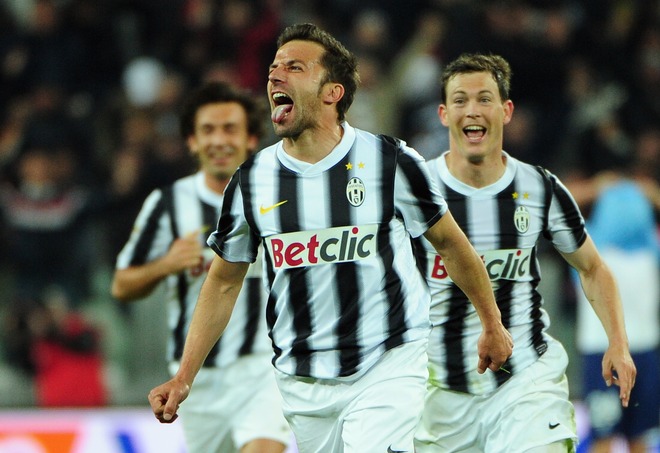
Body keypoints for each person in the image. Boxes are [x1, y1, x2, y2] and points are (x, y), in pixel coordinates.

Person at [147, 23, 513, 453]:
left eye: (294, 67)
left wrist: (492, 323)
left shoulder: (388, 161)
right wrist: (185, 375)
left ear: (331, 92)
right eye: (273, 67)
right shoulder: (253, 181)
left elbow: (451, 244)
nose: (275, 76)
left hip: (388, 362)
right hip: (303, 382)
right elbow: (224, 280)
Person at [412, 53, 637, 453]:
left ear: (506, 110)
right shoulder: (416, 190)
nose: (473, 110)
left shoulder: (539, 187)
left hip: (525, 382)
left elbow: (592, 269)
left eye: (484, 98)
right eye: (460, 100)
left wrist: (617, 340)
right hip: (440, 396)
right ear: (444, 114)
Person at [111, 81, 290, 453]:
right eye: (208, 130)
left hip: (263, 367)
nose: (219, 140)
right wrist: (165, 265)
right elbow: (122, 285)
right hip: (196, 379)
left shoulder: (279, 197)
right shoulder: (168, 204)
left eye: (230, 129)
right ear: (192, 142)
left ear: (252, 138)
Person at [573, 180, 659, 453]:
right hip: (611, 353)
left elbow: (560, 207)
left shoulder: (591, 253)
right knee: (628, 439)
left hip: (616, 352)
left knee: (616, 439)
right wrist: (650, 192)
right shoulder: (594, 255)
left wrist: (598, 186)